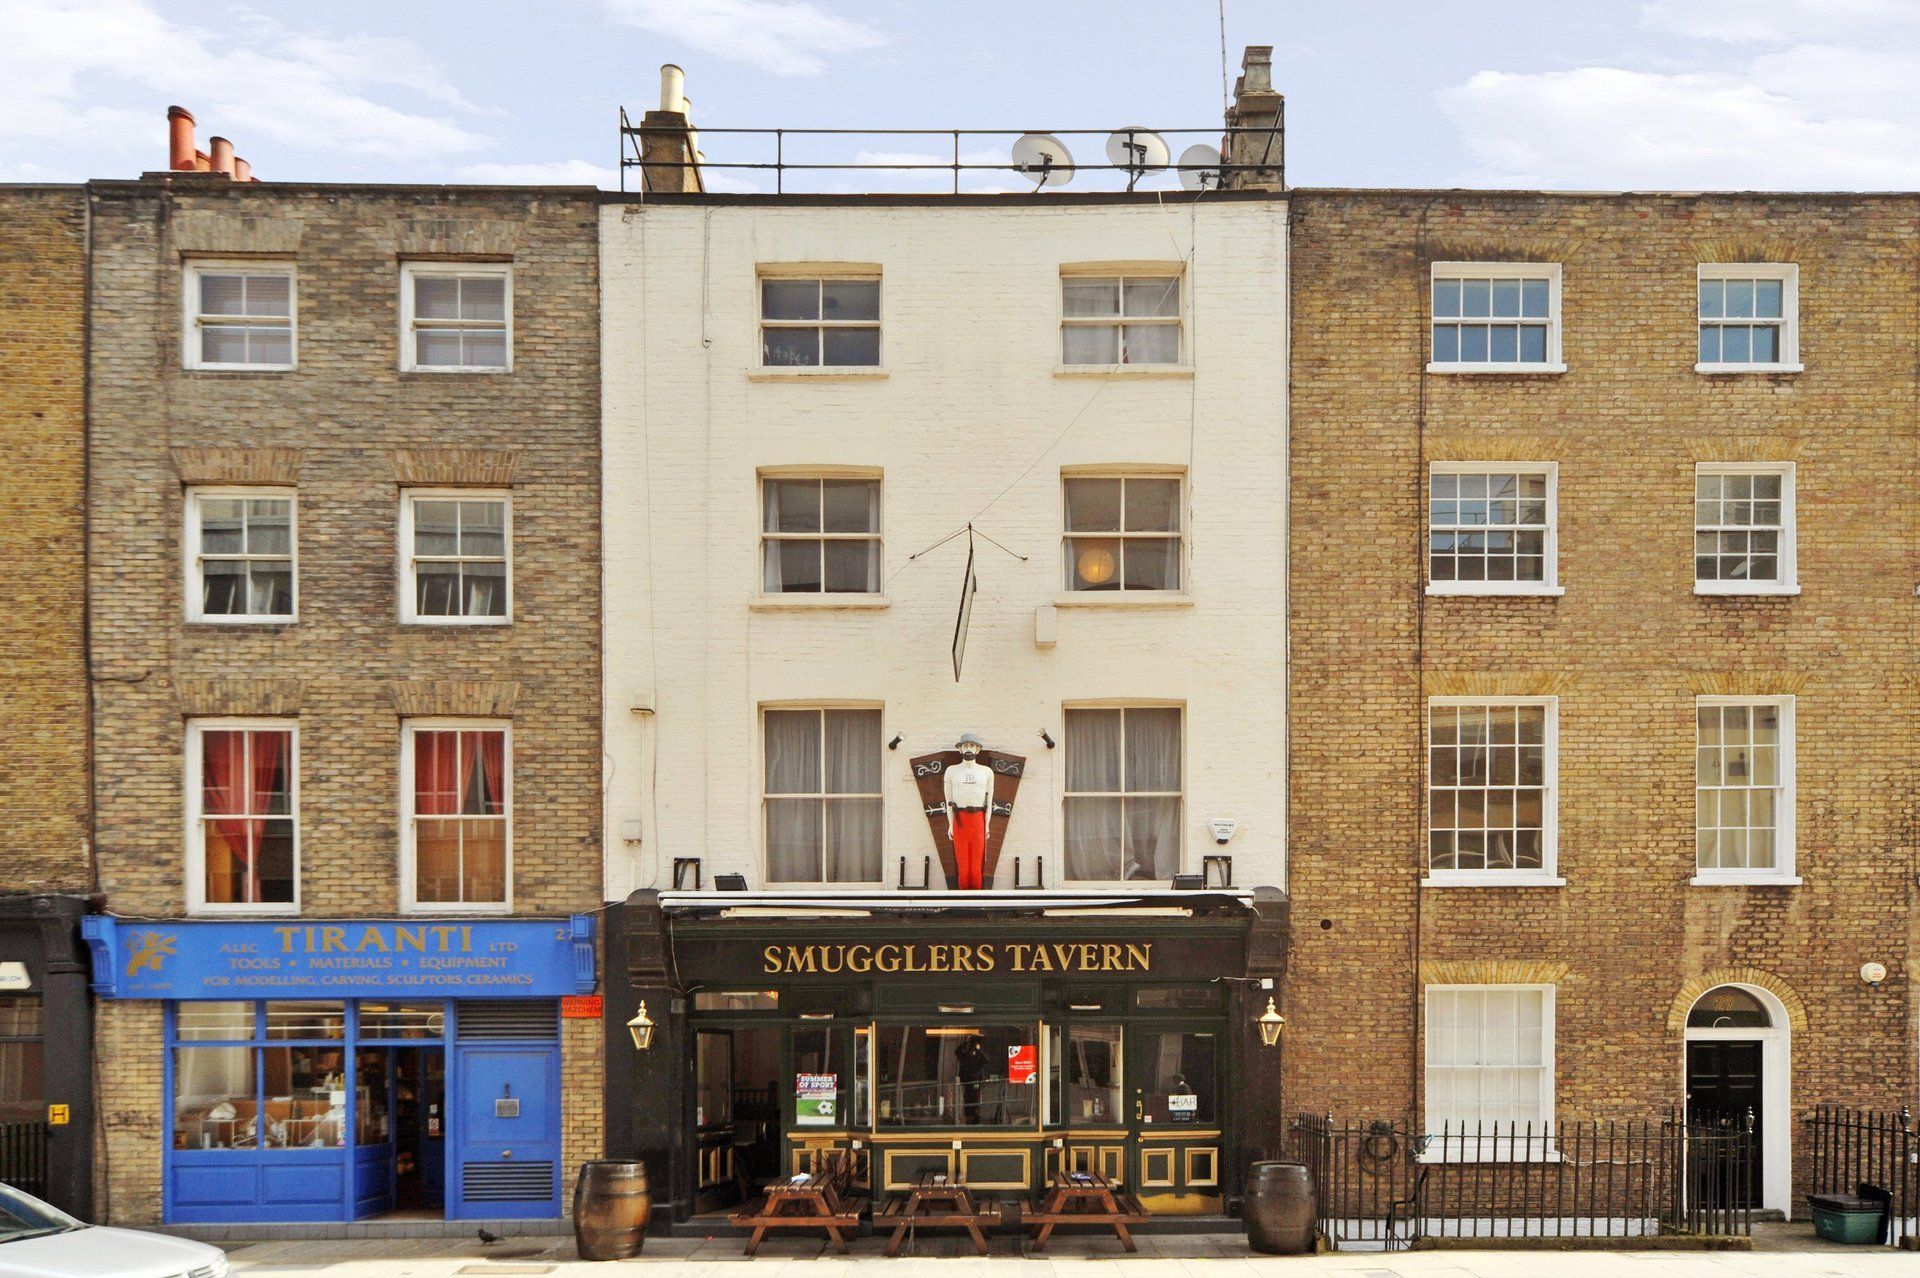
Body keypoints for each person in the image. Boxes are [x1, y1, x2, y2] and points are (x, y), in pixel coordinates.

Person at [943, 733, 995, 889]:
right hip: (960, 818)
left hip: (978, 818)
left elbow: (989, 801)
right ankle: (963, 896)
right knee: (963, 864)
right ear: (960, 749)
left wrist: (987, 824)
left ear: (978, 749)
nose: (969, 749)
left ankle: (977, 896)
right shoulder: (951, 771)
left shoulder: (986, 772)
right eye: (965, 745)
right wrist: (950, 824)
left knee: (976, 864)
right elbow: (948, 801)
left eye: (972, 746)